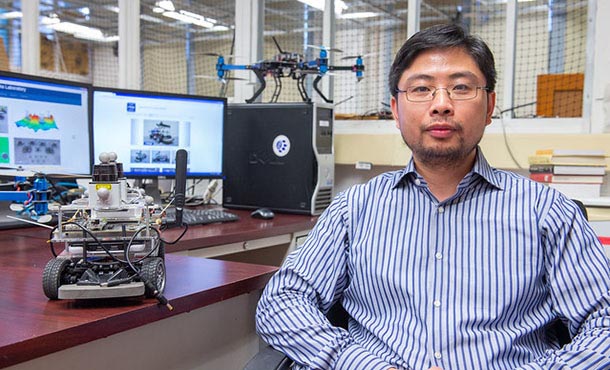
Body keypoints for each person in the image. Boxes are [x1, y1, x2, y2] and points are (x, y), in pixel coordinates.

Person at [256, 24, 610, 370]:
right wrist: (358, 362)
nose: (441, 105)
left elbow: (603, 325)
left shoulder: (547, 211)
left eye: (460, 87)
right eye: (422, 89)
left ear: (489, 107)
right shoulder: (355, 209)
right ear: (395, 109)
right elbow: (280, 303)